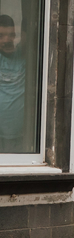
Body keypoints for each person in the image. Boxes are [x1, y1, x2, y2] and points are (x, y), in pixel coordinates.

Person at [0, 15, 27, 151]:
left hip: (21, 132)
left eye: (11, 35)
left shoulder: (23, 55)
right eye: (1, 36)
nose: (7, 40)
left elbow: (30, 36)